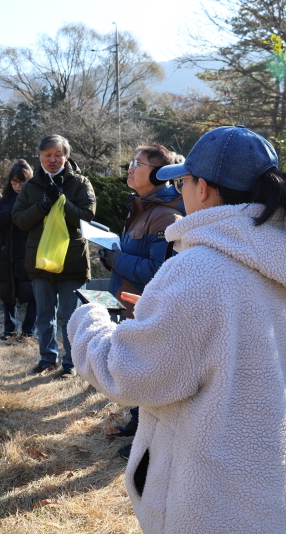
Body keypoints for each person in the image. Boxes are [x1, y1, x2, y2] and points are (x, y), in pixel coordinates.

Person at [68, 125, 286, 534]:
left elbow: (128, 373)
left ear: (202, 188)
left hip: (207, 504)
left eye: (183, 182)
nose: (180, 193)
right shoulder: (282, 261)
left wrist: (88, 322)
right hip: (273, 492)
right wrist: (159, 318)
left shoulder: (200, 270)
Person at [99, 144, 185, 454]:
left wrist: (115, 260)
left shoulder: (165, 216)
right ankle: (137, 423)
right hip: (127, 304)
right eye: (131, 161)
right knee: (133, 369)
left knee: (145, 372)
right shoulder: (141, 207)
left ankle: (147, 444)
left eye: (139, 163)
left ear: (159, 174)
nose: (130, 168)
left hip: (145, 309)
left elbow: (157, 271)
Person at [12, 135, 96, 378]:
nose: (52, 159)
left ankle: (71, 363)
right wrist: (43, 204)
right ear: (39, 156)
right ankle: (47, 358)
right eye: (47, 155)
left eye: (57, 154)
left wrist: (62, 200)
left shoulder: (80, 183)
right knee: (44, 315)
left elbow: (87, 218)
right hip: (41, 261)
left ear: (66, 157)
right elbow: (19, 220)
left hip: (72, 261)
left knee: (71, 317)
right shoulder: (30, 186)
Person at [0, 159, 36, 341]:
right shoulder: (4, 202)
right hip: (7, 254)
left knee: (32, 293)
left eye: (22, 182)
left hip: (30, 253)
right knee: (7, 292)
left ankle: (29, 331)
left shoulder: (35, 200)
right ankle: (9, 329)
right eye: (14, 181)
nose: (18, 186)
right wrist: (11, 212)